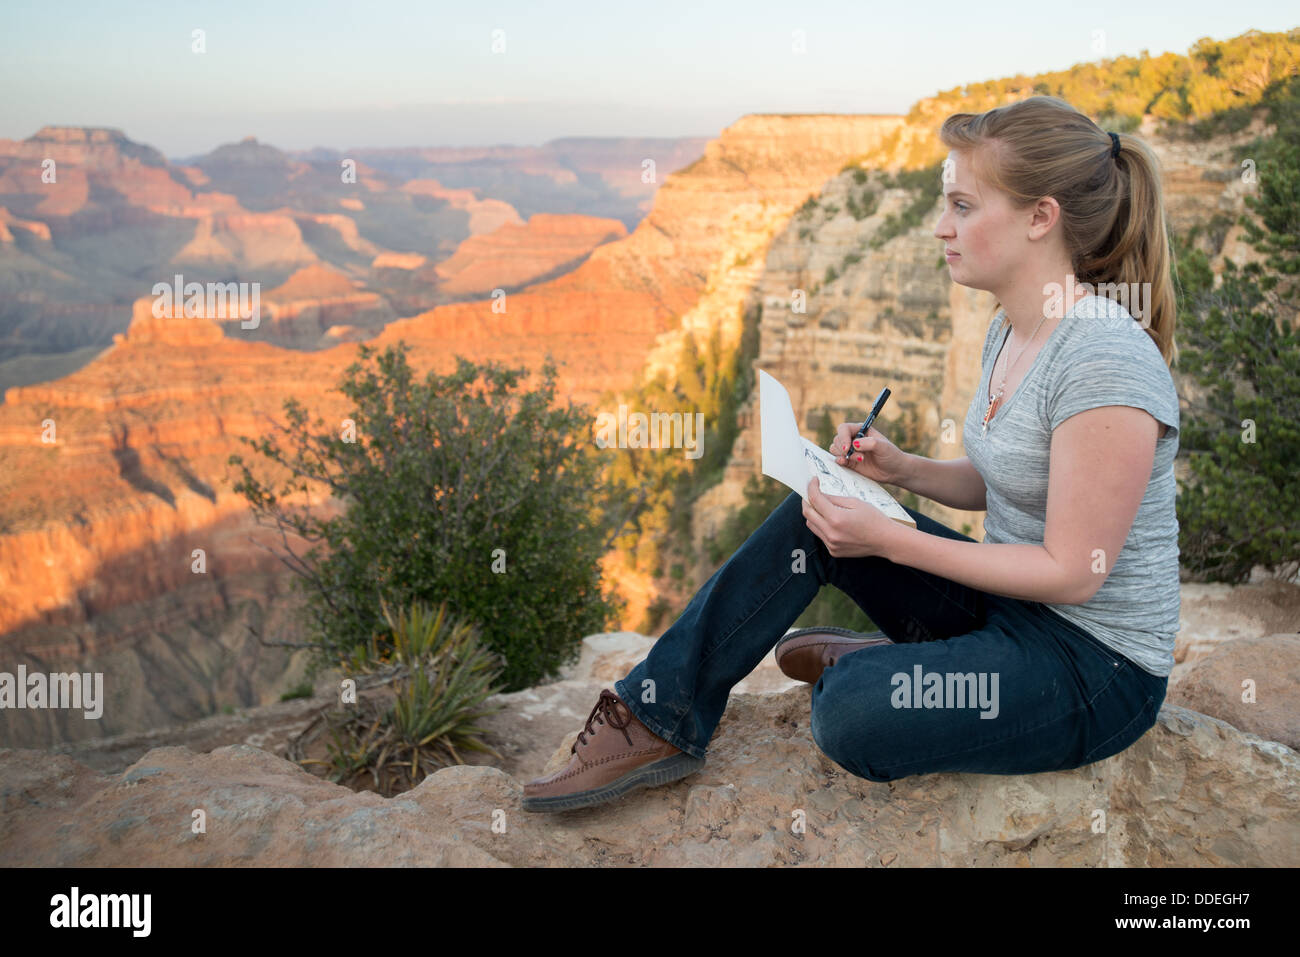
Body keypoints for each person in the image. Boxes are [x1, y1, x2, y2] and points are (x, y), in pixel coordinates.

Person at [523, 95, 1181, 813]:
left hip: (1093, 666)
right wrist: (901, 472)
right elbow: (1012, 484)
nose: (940, 227)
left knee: (850, 715)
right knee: (817, 510)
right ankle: (655, 715)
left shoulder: (1104, 358)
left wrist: (893, 540)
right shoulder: (1013, 329)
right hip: (1008, 611)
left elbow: (1072, 572)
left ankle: (884, 666)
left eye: (963, 206)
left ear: (1039, 217)